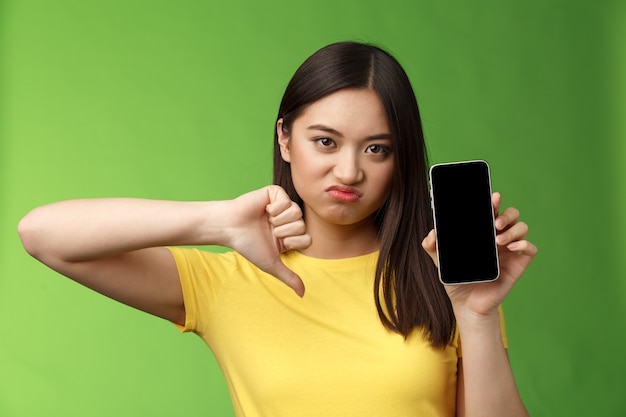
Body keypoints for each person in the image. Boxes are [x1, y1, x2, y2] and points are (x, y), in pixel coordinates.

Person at [18, 41, 537, 417]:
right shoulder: (227, 282)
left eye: (376, 148)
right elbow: (42, 233)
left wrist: (476, 315)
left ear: (399, 161)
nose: (350, 171)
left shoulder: (447, 281)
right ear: (286, 140)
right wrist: (215, 222)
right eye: (326, 142)